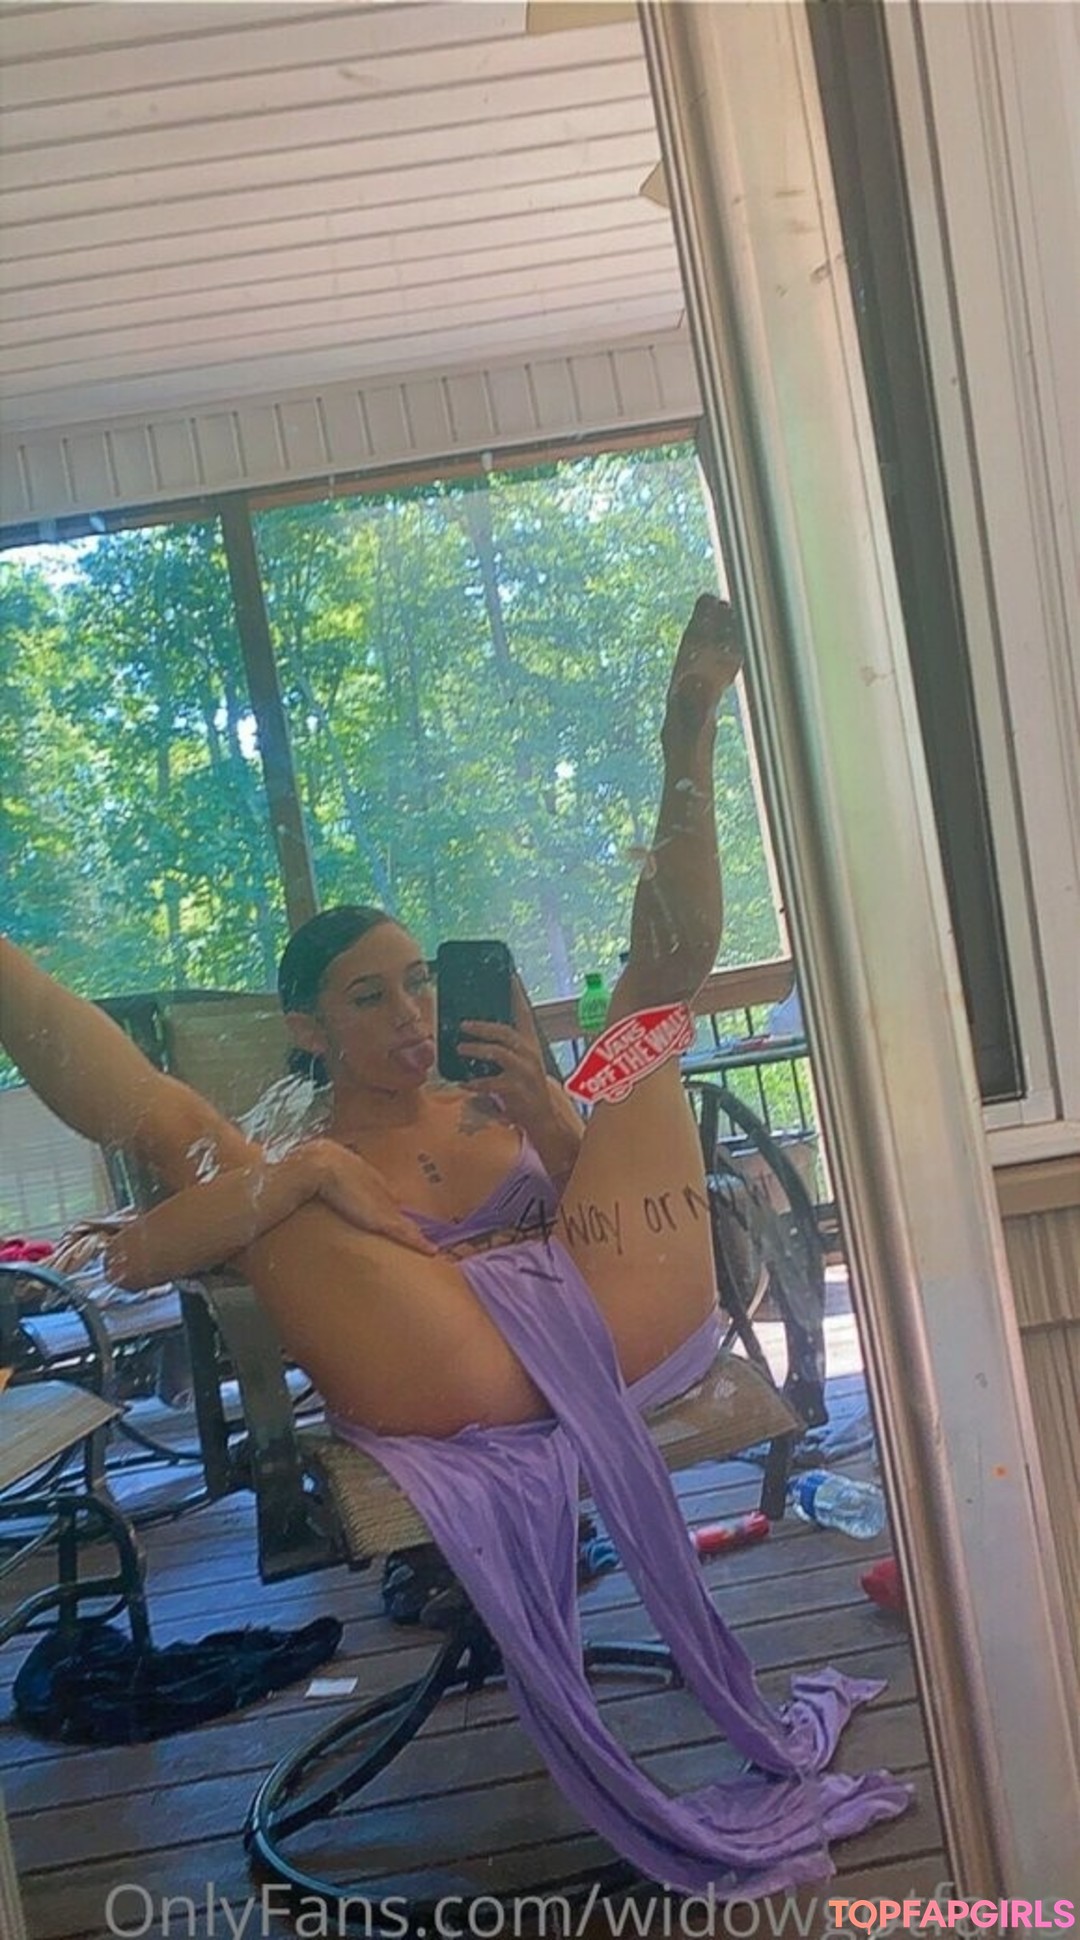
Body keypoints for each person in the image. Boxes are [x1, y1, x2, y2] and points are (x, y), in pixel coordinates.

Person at [0, 595, 910, 1896]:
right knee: (203, 1140)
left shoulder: (495, 1100)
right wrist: (314, 1175)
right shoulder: (290, 1139)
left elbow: (606, 1209)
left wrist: (553, 1117)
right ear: (309, 1029)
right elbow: (147, 1251)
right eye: (369, 996)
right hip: (448, 1360)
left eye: (418, 981)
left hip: (603, 1317)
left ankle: (690, 734)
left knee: (645, 1015)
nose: (410, 1013)